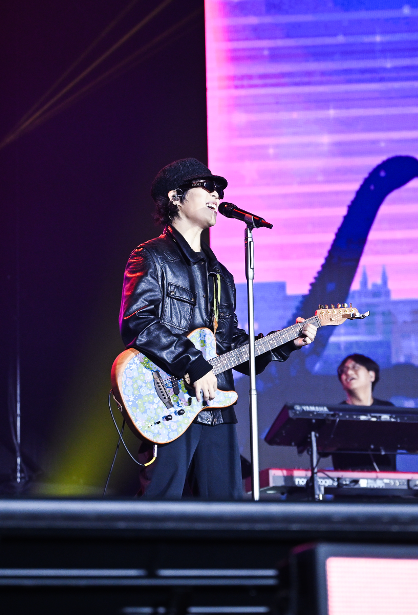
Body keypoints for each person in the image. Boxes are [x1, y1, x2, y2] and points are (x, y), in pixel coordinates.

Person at [120, 158, 317, 499]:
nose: (217, 195)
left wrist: (286, 343)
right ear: (176, 197)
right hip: (168, 401)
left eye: (220, 190)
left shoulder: (221, 275)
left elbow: (230, 344)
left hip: (217, 406)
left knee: (226, 508)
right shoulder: (150, 256)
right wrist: (193, 364)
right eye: (208, 187)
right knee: (161, 503)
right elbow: (139, 321)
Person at [332, 354, 397, 471]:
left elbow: (414, 448)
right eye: (343, 370)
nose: (348, 372)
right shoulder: (336, 413)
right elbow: (323, 449)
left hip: (386, 480)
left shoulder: (388, 409)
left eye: (355, 367)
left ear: (371, 375)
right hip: (347, 480)